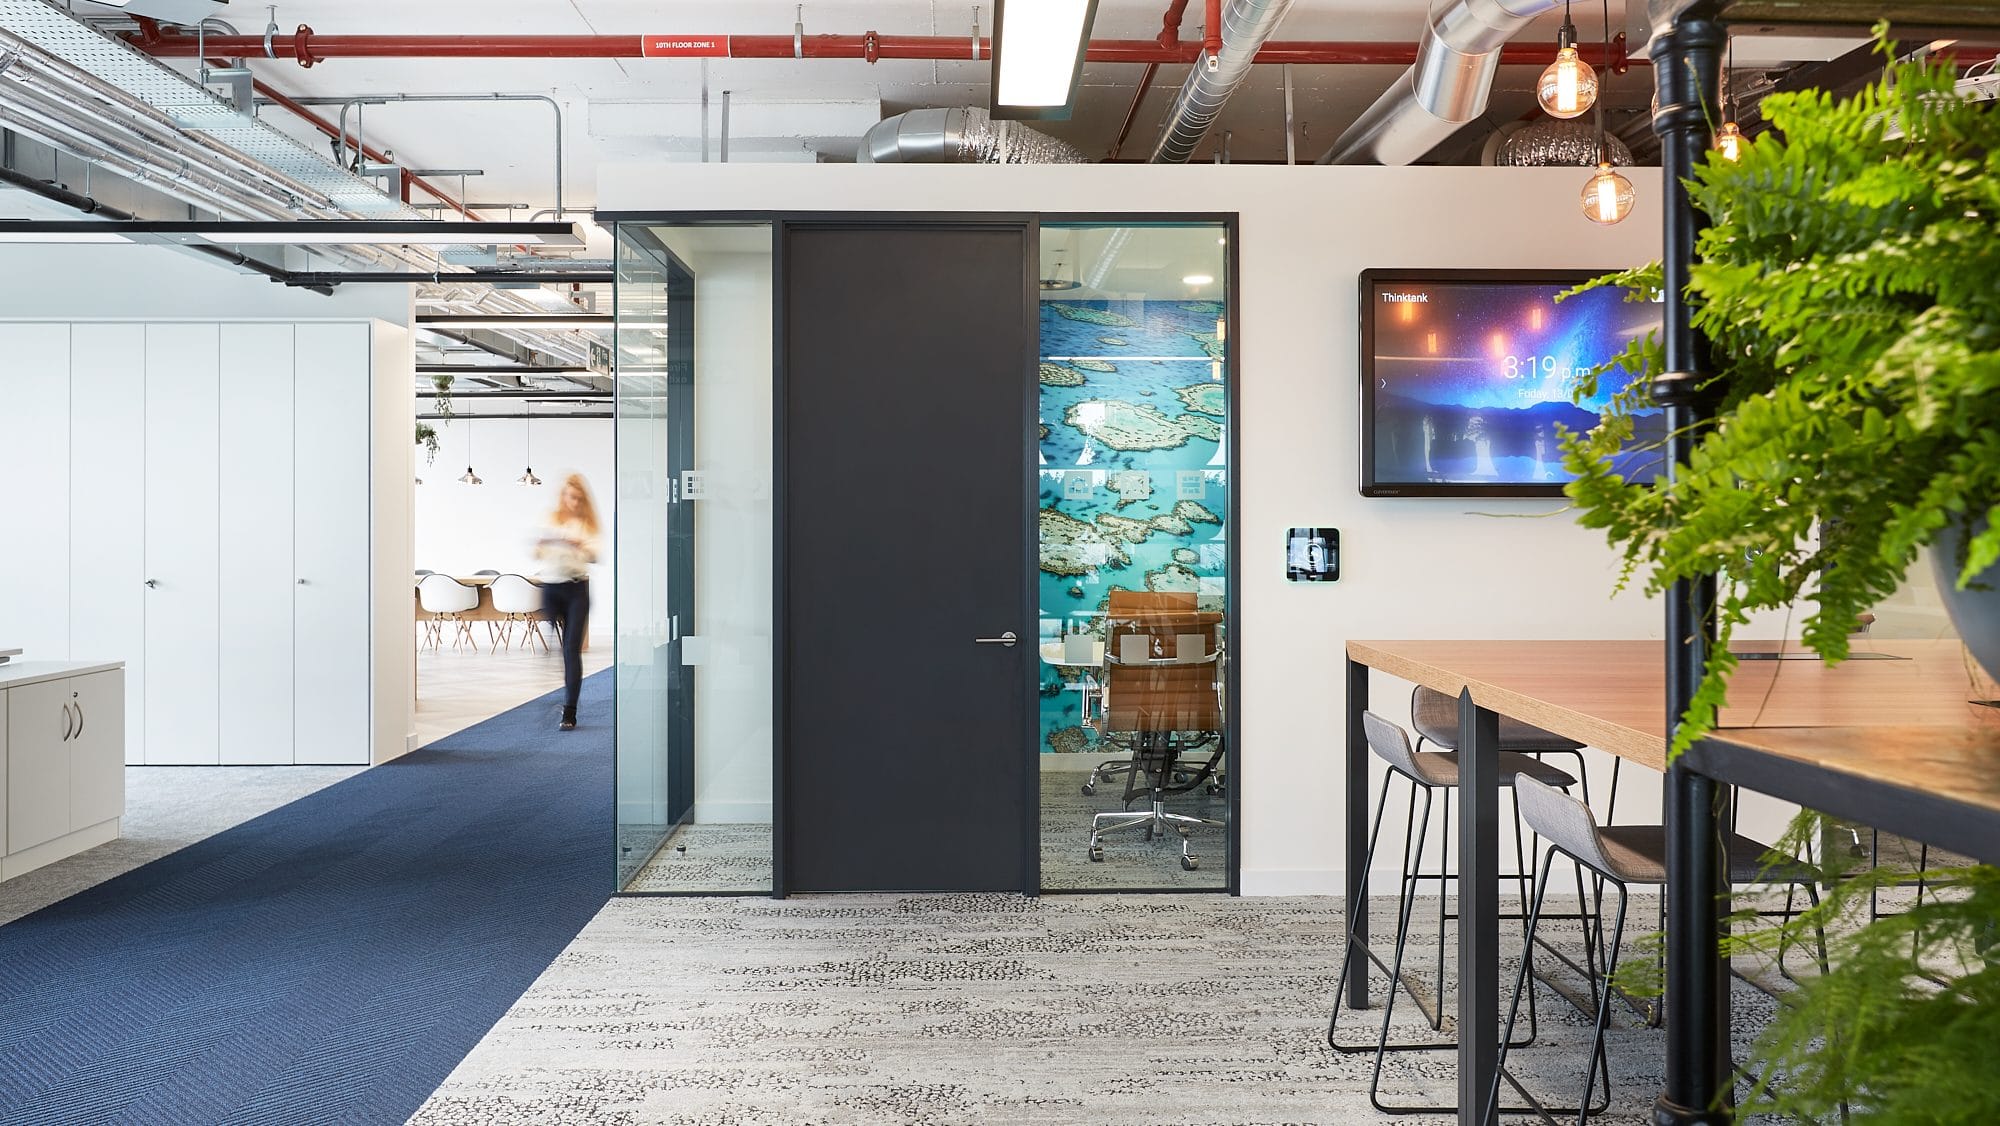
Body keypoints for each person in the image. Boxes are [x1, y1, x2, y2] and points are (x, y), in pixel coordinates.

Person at [535, 474, 601, 731]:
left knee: (571, 649)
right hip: (551, 587)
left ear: (582, 499)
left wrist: (580, 546)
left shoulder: (588, 524)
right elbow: (537, 552)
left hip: (576, 588)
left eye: (576, 497)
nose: (571, 501)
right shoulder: (550, 519)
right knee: (555, 647)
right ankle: (553, 687)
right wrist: (543, 544)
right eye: (567, 496)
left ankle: (569, 711)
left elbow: (595, 555)